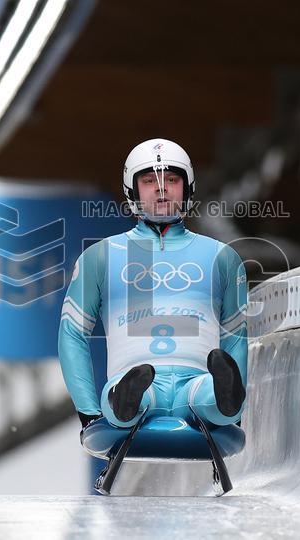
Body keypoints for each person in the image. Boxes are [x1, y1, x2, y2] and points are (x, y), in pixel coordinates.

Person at [58, 138, 249, 433]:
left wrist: (235, 416)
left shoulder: (222, 257)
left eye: (172, 179)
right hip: (134, 376)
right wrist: (88, 411)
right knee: (125, 397)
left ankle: (224, 400)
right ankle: (126, 399)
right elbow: (72, 334)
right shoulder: (100, 257)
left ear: (187, 188)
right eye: (149, 180)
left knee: (208, 394)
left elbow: (236, 336)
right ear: (132, 190)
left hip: (196, 378)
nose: (161, 188)